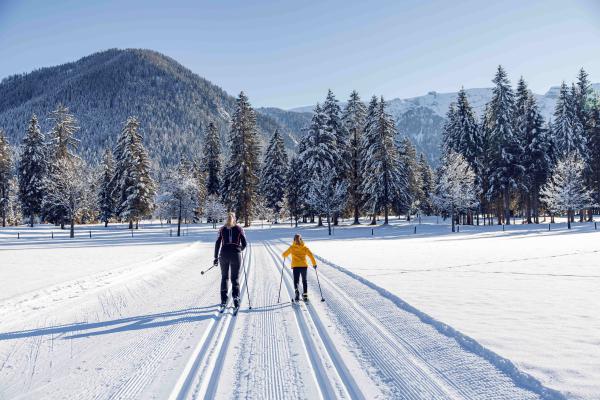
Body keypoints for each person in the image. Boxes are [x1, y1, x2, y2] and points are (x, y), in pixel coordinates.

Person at [214, 212, 247, 308]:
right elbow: (244, 244)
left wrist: (215, 257)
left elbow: (217, 244)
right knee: (235, 278)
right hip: (235, 255)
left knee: (224, 277)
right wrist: (239, 249)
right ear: (235, 219)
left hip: (224, 254)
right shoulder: (239, 229)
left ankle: (223, 300)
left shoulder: (221, 229)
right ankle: (236, 298)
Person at [282, 234, 317, 302]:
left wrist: (285, 255)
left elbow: (284, 254)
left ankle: (297, 291)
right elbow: (311, 255)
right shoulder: (305, 248)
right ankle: (305, 295)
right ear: (301, 239)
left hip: (296, 266)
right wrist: (314, 264)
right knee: (304, 280)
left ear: (294, 240)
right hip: (304, 266)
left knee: (296, 280)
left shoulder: (292, 248)